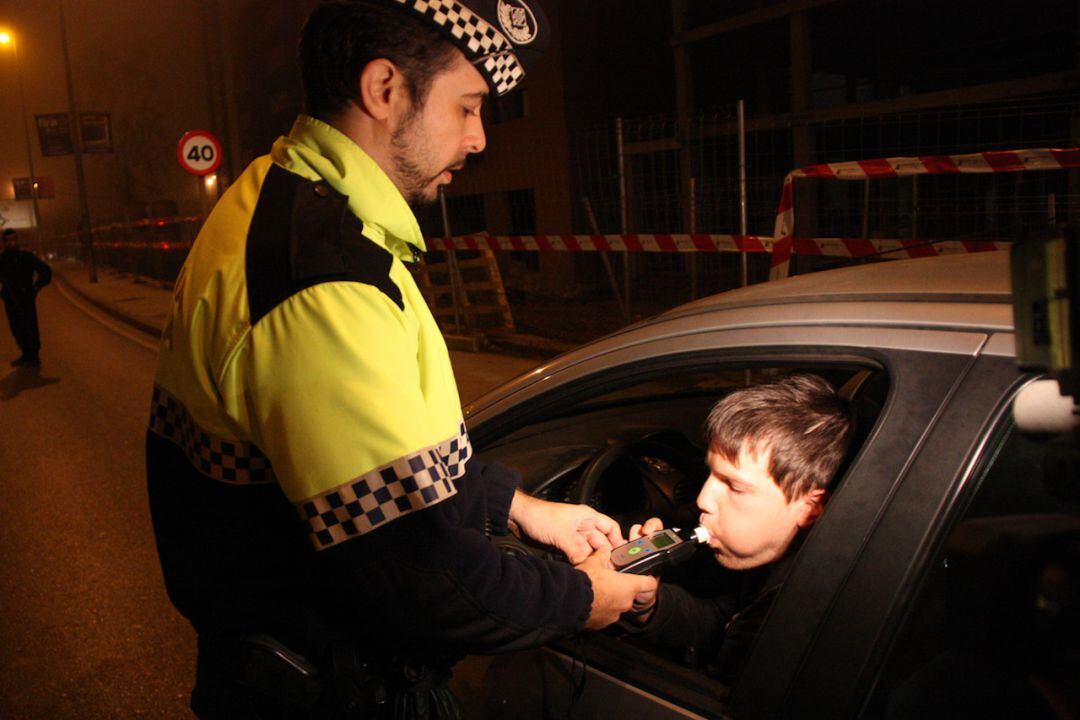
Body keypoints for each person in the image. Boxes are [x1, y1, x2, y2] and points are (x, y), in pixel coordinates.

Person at [144, 1, 655, 717]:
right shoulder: (323, 283)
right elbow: (423, 573)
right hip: (337, 690)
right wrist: (586, 597)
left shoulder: (281, 199)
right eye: (467, 107)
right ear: (385, 89)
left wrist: (521, 507)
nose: (478, 139)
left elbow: (371, 469)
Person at [621, 374, 855, 683]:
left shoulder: (798, 626)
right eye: (711, 474)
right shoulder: (771, 564)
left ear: (808, 508)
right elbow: (721, 621)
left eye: (735, 486)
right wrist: (649, 606)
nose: (703, 499)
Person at [0, 228, 51, 368]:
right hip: (11, 300)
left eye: (14, 239)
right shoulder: (2, 260)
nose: (12, 243)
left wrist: (36, 287)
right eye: (8, 240)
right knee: (16, 328)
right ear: (4, 243)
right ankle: (26, 353)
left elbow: (45, 272)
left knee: (30, 326)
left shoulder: (26, 257)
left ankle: (34, 355)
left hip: (26, 298)